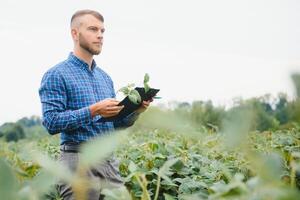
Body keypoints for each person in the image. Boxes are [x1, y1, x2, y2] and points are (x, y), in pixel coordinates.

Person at [39, 9, 151, 200]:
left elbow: (113, 125)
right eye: (93, 29)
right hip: (78, 162)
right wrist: (93, 110)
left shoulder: (105, 78)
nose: (100, 35)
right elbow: (51, 122)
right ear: (75, 33)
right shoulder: (56, 75)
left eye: (102, 31)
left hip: (108, 162)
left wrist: (136, 111)